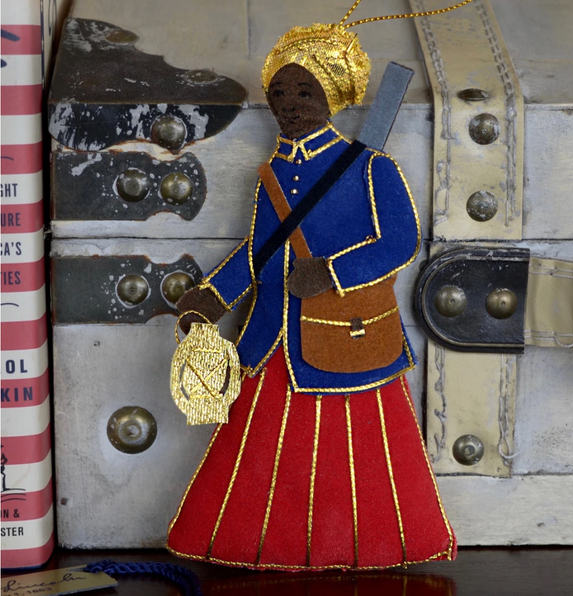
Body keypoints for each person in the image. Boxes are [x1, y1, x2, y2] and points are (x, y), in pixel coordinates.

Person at [167, 21, 455, 571]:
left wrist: (332, 273)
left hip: (343, 338)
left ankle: (368, 546)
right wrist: (211, 297)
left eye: (304, 91)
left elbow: (400, 242)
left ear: (333, 96)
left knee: (361, 458)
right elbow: (259, 251)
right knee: (258, 456)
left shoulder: (372, 167)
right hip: (269, 337)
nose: (289, 104)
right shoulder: (271, 173)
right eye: (279, 92)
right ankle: (258, 547)